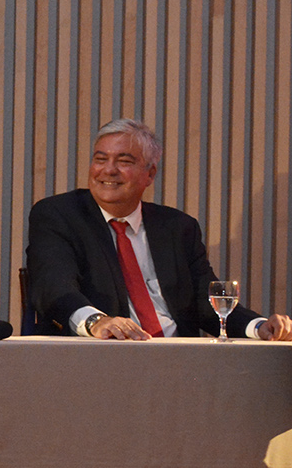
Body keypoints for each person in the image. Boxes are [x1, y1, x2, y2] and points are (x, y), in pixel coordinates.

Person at [26, 118, 292, 340]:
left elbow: (207, 303)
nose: (109, 170)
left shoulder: (178, 228)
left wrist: (259, 327)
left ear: (150, 174)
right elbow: (54, 287)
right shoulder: (59, 214)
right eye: (100, 158)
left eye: (124, 161)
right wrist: (97, 322)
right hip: (103, 359)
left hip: (180, 362)